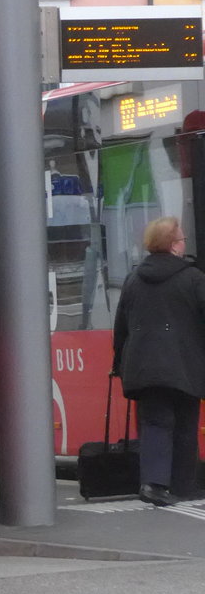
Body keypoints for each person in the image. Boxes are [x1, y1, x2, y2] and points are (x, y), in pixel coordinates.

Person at [112, 216, 205, 507]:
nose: (183, 243)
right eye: (182, 239)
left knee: (155, 422)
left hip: (144, 366)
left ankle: (153, 484)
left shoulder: (133, 280)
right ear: (175, 244)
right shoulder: (194, 279)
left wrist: (119, 363)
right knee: (186, 425)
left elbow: (121, 328)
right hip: (185, 365)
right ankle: (182, 486)